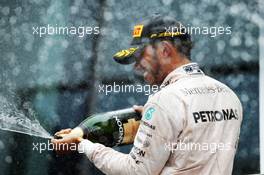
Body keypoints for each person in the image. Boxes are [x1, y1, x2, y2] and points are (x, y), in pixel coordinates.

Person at [52, 14, 243, 175]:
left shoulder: (165, 101)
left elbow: (136, 171)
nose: (136, 66)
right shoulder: (228, 95)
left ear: (165, 50)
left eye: (139, 56)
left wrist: (83, 144)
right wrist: (158, 122)